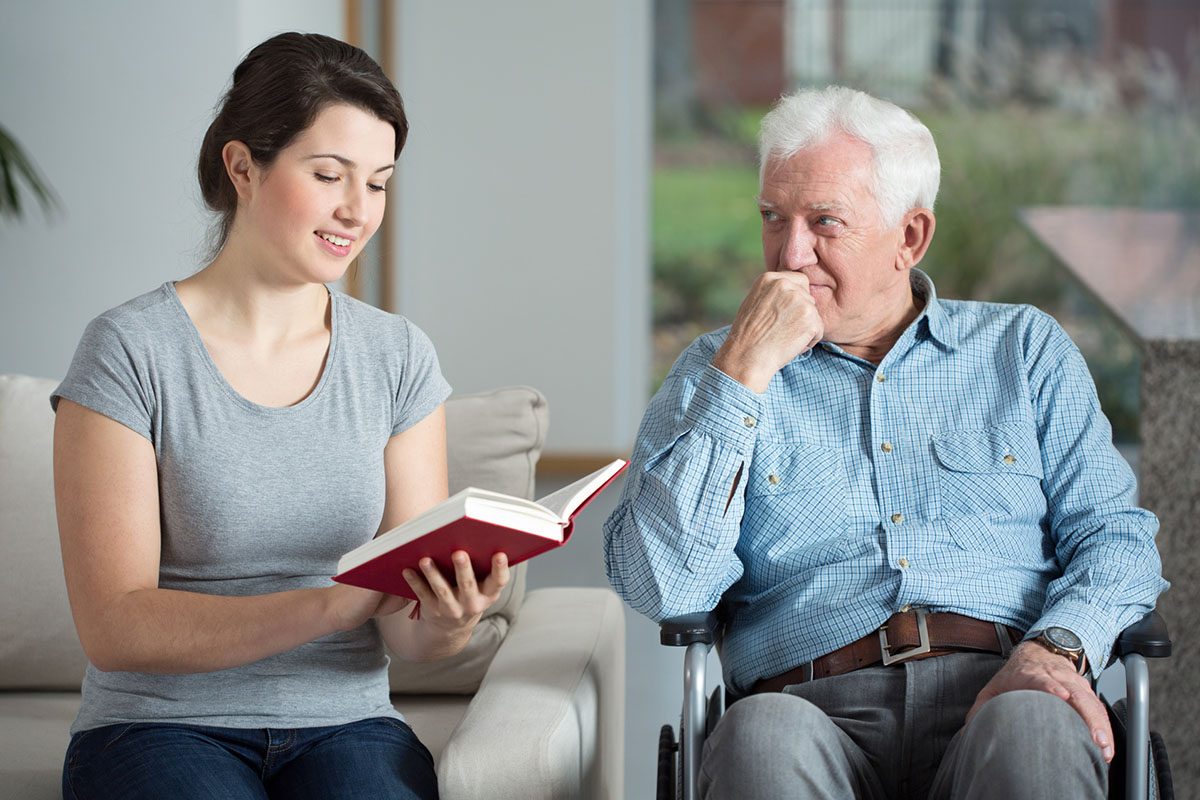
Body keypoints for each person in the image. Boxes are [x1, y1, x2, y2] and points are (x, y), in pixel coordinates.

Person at [604, 86, 1167, 799]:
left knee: (1040, 735)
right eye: (773, 218)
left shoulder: (1024, 350)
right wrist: (741, 378)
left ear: (910, 237)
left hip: (1003, 685)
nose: (789, 252)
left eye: (824, 222)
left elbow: (1116, 537)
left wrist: (1057, 648)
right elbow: (666, 588)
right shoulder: (717, 372)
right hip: (804, 706)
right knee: (757, 741)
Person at [51, 32, 508, 800]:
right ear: (242, 167)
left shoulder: (397, 356)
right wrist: (328, 605)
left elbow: (406, 631)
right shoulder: (129, 351)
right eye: (329, 174)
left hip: (348, 725)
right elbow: (115, 625)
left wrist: (449, 618)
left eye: (379, 183)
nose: (356, 211)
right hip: (153, 730)